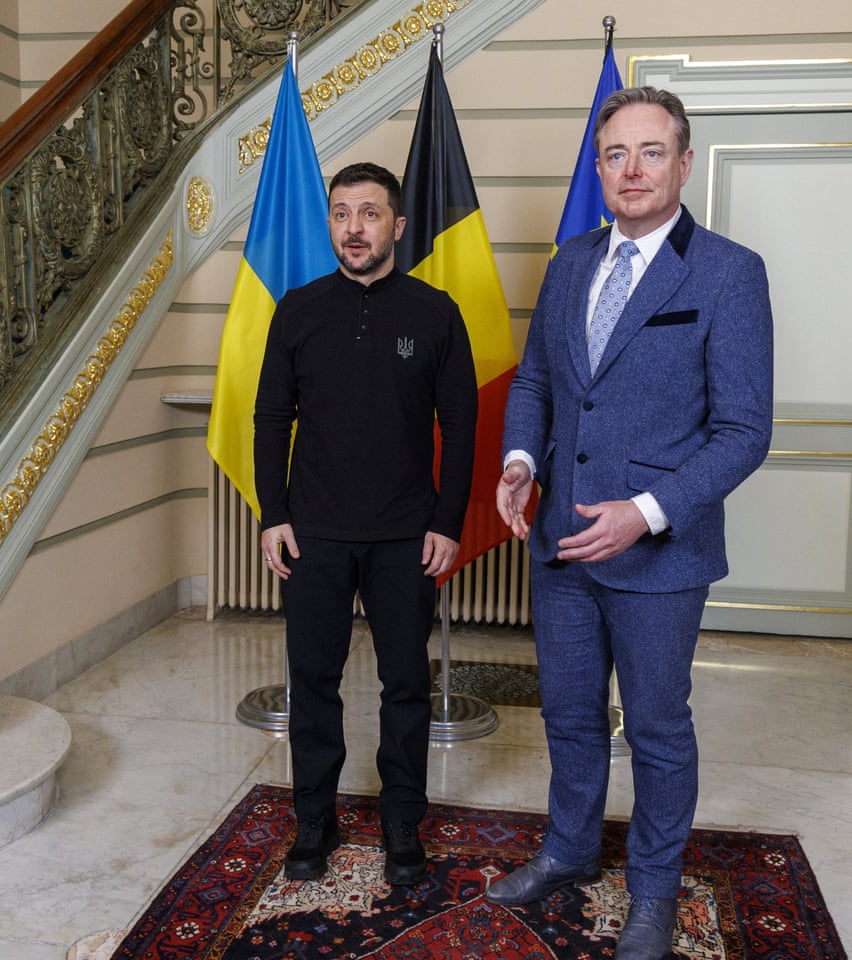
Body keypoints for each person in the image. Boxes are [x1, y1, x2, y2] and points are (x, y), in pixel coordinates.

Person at [487, 87, 773, 959]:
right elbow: (537, 380)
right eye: (616, 154)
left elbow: (745, 432)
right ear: (599, 167)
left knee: (655, 726)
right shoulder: (570, 262)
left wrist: (644, 514)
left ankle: (653, 891)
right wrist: (519, 463)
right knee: (569, 717)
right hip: (561, 549)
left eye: (652, 152)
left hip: (661, 558)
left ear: (684, 163)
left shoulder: (728, 271)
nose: (633, 170)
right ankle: (569, 852)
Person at [254, 161, 478, 886]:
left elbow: (464, 423)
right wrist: (273, 515)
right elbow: (269, 418)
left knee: (406, 684)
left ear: (397, 226)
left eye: (370, 213)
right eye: (342, 213)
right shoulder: (296, 308)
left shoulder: (436, 311)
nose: (355, 227)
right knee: (312, 682)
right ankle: (314, 822)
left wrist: (447, 521)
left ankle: (402, 826)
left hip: (406, 536)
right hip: (313, 533)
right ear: (331, 225)